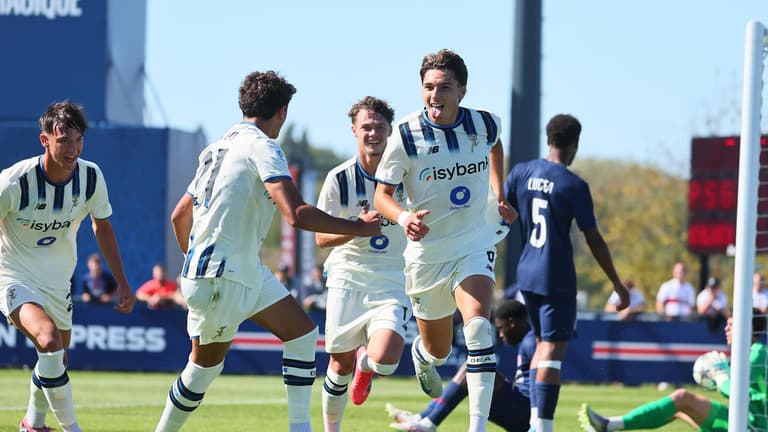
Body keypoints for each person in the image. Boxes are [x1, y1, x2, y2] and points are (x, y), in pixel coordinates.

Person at [153, 70, 381, 432]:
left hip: (235, 271)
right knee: (203, 368)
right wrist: (359, 227)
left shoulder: (217, 146)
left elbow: (180, 215)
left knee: (303, 333)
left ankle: (299, 427)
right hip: (225, 276)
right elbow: (296, 214)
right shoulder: (263, 146)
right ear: (282, 112)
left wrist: (193, 261)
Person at [374, 49, 517, 432]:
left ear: (462, 91)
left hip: (473, 242)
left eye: (444, 87)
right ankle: (423, 354)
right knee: (438, 350)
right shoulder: (404, 135)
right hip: (426, 256)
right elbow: (381, 196)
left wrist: (499, 193)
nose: (435, 95)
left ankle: (476, 427)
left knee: (478, 329)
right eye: (428, 87)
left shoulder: (484, 124)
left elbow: (496, 144)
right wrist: (403, 217)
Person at [0, 101, 135, 432]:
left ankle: (33, 424)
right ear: (44, 140)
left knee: (55, 360)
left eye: (78, 140)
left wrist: (122, 281)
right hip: (14, 275)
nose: (72, 149)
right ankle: (73, 428)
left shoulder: (91, 177)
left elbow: (102, 227)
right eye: (63, 141)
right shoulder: (14, 182)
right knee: (48, 340)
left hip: (59, 282)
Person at [505, 113, 630, 432]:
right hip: (555, 276)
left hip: (526, 273)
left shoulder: (521, 172)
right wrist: (617, 283)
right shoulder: (573, 184)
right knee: (550, 350)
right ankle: (543, 427)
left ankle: (534, 421)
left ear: (548, 139)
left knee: (540, 343)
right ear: (574, 144)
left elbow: (501, 211)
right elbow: (593, 238)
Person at [315, 96, 412, 432]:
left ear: (390, 131)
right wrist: (357, 227)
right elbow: (320, 238)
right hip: (347, 274)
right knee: (338, 365)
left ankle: (366, 365)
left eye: (379, 127)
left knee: (386, 359)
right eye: (366, 127)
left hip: (392, 276)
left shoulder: (407, 174)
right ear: (354, 130)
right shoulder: (338, 179)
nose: (373, 133)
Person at [579, 309, 767, 431]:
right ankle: (609, 425)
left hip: (754, 428)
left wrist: (720, 375)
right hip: (746, 421)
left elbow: (734, 392)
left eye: (732, 324)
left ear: (746, 328)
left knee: (682, 401)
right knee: (680, 402)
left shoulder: (758, 353)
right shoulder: (749, 352)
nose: (726, 328)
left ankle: (609, 425)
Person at [386, 299, 535, 432]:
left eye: (500, 328)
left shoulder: (531, 342)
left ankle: (428, 422)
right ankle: (421, 418)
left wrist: (538, 421)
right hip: (521, 406)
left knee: (476, 369)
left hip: (527, 413)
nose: (500, 335)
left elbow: (543, 382)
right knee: (473, 367)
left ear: (512, 323)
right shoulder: (529, 340)